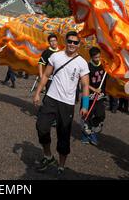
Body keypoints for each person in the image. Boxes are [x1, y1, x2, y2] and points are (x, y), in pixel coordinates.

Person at [33, 31, 89, 177]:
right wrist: (38, 92)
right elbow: (45, 75)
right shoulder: (56, 56)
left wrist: (85, 105)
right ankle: (48, 156)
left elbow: (85, 86)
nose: (72, 44)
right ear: (65, 41)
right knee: (41, 127)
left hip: (67, 103)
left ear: (79, 45)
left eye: (75, 42)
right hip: (51, 98)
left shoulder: (82, 63)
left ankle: (61, 166)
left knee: (63, 135)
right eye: (70, 41)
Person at [81, 47, 106, 146]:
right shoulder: (87, 67)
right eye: (96, 57)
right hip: (89, 96)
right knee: (87, 115)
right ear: (91, 57)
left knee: (100, 115)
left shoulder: (104, 65)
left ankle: (91, 129)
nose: (98, 59)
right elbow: (84, 82)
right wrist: (94, 89)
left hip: (100, 96)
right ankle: (86, 134)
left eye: (99, 57)